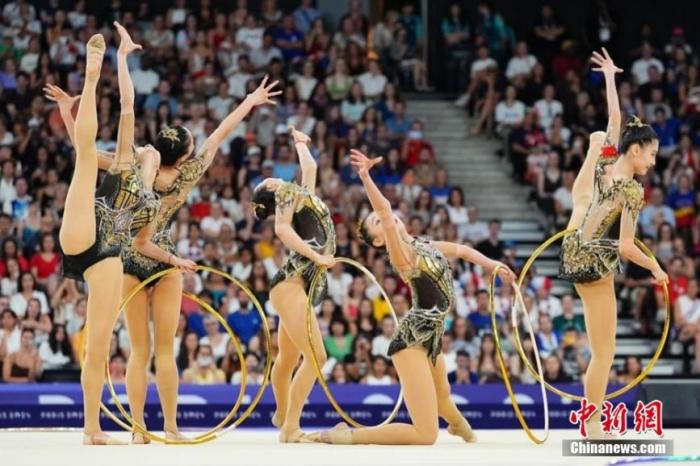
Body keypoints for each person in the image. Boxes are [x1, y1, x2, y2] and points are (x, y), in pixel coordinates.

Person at [314, 149, 515, 445]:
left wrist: (493, 265)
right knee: (425, 435)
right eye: (378, 222)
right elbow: (384, 210)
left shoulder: (423, 244)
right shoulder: (401, 254)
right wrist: (366, 177)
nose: (386, 218)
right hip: (412, 340)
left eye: (381, 217)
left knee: (443, 397)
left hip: (431, 336)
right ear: (380, 240)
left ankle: (462, 429)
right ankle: (346, 435)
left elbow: (462, 250)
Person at [119, 74, 280, 444]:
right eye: (191, 144)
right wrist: (250, 100)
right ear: (184, 157)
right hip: (153, 258)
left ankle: (146, 429)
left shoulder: (138, 168)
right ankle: (161, 427)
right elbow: (221, 133)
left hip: (141, 259)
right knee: (158, 350)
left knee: (144, 351)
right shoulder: (188, 173)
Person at [54, 28, 163, 445]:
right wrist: (120, 58)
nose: (146, 148)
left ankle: (92, 430)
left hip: (104, 252)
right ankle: (91, 75)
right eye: (145, 148)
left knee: (97, 344)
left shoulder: (148, 193)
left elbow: (143, 244)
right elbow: (127, 105)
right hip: (92, 234)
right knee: (85, 159)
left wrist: (173, 263)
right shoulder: (125, 166)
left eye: (152, 150)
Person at [559, 49, 668, 439]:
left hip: (573, 247)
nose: (653, 162)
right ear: (635, 150)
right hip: (593, 263)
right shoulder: (633, 190)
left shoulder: (605, 163)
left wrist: (609, 77)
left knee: (583, 199)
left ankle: (593, 420)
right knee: (605, 352)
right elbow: (625, 246)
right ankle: (593, 424)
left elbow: (614, 119)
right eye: (651, 154)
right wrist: (655, 268)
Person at [251, 126, 335, 443]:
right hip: (292, 282)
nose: (275, 176)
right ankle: (290, 427)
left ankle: (282, 412)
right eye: (270, 178)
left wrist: (300, 143)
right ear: (272, 188)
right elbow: (282, 230)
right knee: (317, 357)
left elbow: (310, 168)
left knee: (287, 359)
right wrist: (316, 255)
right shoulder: (286, 194)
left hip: (297, 286)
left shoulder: (301, 196)